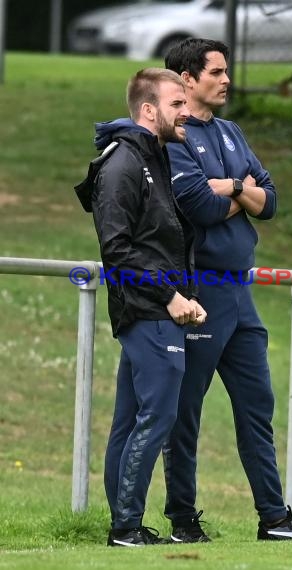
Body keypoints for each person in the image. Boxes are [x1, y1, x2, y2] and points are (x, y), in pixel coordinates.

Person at [161, 38, 292, 542]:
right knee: (185, 414)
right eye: (216, 72)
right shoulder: (173, 137)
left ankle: (274, 518)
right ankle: (182, 521)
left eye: (226, 71)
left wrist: (234, 187)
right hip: (199, 294)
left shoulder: (232, 131)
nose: (227, 79)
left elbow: (272, 200)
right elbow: (199, 206)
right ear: (187, 79)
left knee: (258, 406)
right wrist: (239, 190)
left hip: (242, 294)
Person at [74, 67, 207, 547]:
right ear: (149, 110)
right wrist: (171, 297)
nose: (186, 112)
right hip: (148, 311)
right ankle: (126, 528)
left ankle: (125, 524)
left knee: (131, 421)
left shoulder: (156, 156)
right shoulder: (123, 163)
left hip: (157, 309)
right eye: (176, 104)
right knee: (157, 418)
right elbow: (118, 252)